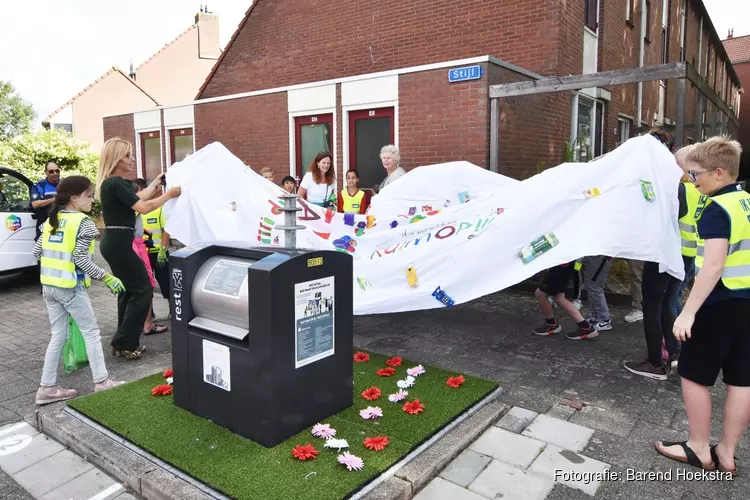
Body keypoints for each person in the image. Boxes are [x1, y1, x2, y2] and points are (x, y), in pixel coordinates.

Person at [655, 136, 750, 475]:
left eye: (696, 174)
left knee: (694, 375)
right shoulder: (745, 201)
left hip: (719, 303)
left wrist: (688, 310)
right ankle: (726, 451)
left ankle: (698, 447)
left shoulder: (716, 209)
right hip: (746, 302)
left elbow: (712, 266)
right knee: (741, 380)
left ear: (719, 172)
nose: (693, 181)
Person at [33, 176, 125, 404]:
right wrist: (107, 277)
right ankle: (102, 382)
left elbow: (37, 252)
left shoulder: (50, 221)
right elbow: (80, 259)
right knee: (92, 333)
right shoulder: (83, 223)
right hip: (70, 287)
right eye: (89, 195)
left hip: (49, 287)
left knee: (58, 336)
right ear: (74, 197)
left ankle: (47, 388)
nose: (92, 200)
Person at [96, 138, 181, 360]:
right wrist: (169, 194)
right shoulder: (114, 183)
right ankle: (124, 342)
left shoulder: (114, 183)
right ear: (116, 159)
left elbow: (138, 198)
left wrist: (155, 184)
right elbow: (144, 207)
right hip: (119, 242)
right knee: (143, 289)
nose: (132, 159)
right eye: (127, 155)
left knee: (128, 290)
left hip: (116, 241)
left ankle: (123, 342)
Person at [624, 130, 684, 380]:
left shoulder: (655, 181)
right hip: (675, 255)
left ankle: (654, 363)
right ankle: (675, 354)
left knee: (652, 308)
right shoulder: (676, 180)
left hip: (659, 255)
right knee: (666, 306)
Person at [132, 179, 169, 334]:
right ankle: (149, 318)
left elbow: (167, 228)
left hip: (157, 253)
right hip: (141, 253)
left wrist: (163, 249)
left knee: (167, 285)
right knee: (146, 287)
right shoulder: (135, 209)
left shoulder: (158, 208)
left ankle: (174, 313)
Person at [533, 263, 597, 340]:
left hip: (561, 267)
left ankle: (551, 324)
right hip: (563, 266)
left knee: (540, 294)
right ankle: (585, 327)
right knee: (559, 298)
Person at [31, 161, 62, 241]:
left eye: (57, 171)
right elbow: (35, 204)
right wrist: (54, 199)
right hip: (44, 224)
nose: (55, 173)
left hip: (63, 224)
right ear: (46, 172)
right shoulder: (39, 185)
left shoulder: (65, 184)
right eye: (51, 171)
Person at [582, 256, 613, 331]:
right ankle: (596, 316)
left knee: (595, 288)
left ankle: (605, 319)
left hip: (600, 257)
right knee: (590, 287)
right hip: (591, 256)